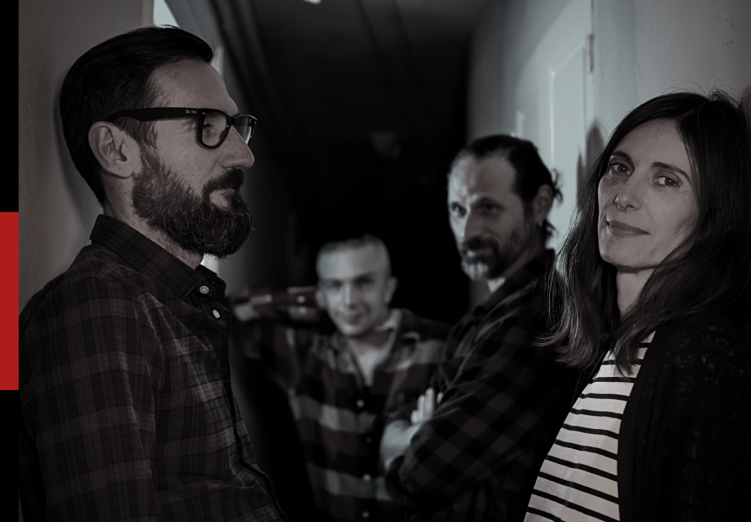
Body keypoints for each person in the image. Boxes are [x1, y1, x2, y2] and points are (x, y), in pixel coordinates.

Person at [18, 27, 286, 522]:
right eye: (206, 124)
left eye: (234, 125)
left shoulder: (173, 303)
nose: (243, 155)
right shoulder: (98, 305)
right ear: (117, 151)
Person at [525, 91, 751, 521]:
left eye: (667, 180)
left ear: (714, 214)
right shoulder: (614, 351)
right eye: (620, 168)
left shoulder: (704, 352)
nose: (624, 195)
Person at [383, 135, 580, 521]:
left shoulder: (533, 318)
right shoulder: (487, 317)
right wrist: (415, 433)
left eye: (487, 207)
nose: (467, 230)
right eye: (458, 209)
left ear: (539, 205)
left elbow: (422, 473)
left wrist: (411, 436)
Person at [232, 235, 450, 522]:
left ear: (388, 288)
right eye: (336, 285)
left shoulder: (440, 346)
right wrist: (318, 298)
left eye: (363, 283)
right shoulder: (305, 354)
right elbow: (232, 311)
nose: (349, 300)